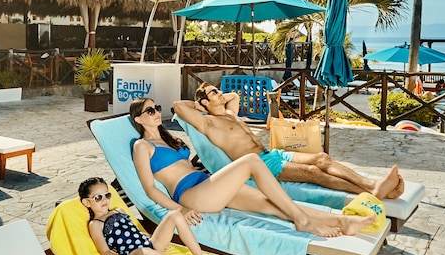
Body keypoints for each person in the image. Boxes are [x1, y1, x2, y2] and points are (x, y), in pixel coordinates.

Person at [129, 99, 378, 239]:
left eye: (157, 108)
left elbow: (180, 106)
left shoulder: (168, 138)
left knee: (272, 203)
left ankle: (343, 221)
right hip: (190, 195)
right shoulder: (142, 146)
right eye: (149, 111)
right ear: (139, 119)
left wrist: (202, 104)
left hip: (206, 185)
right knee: (251, 161)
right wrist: (179, 209)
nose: (156, 112)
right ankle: (303, 221)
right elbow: (150, 189)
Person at [172, 82, 405, 200]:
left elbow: (234, 96)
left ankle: (371, 184)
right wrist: (200, 103)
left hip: (271, 154)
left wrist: (214, 96)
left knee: (321, 158)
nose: (221, 93)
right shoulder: (209, 123)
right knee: (314, 173)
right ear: (204, 103)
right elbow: (178, 106)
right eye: (215, 92)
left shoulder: (230, 114)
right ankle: (370, 190)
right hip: (259, 165)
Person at [79, 176, 233, 255]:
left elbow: (134, 231)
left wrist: (149, 237)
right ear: (87, 202)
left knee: (175, 215)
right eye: (98, 198)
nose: (104, 200)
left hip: (148, 243)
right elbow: (105, 252)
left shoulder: (118, 210)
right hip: (135, 252)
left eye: (107, 195)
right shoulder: (96, 224)